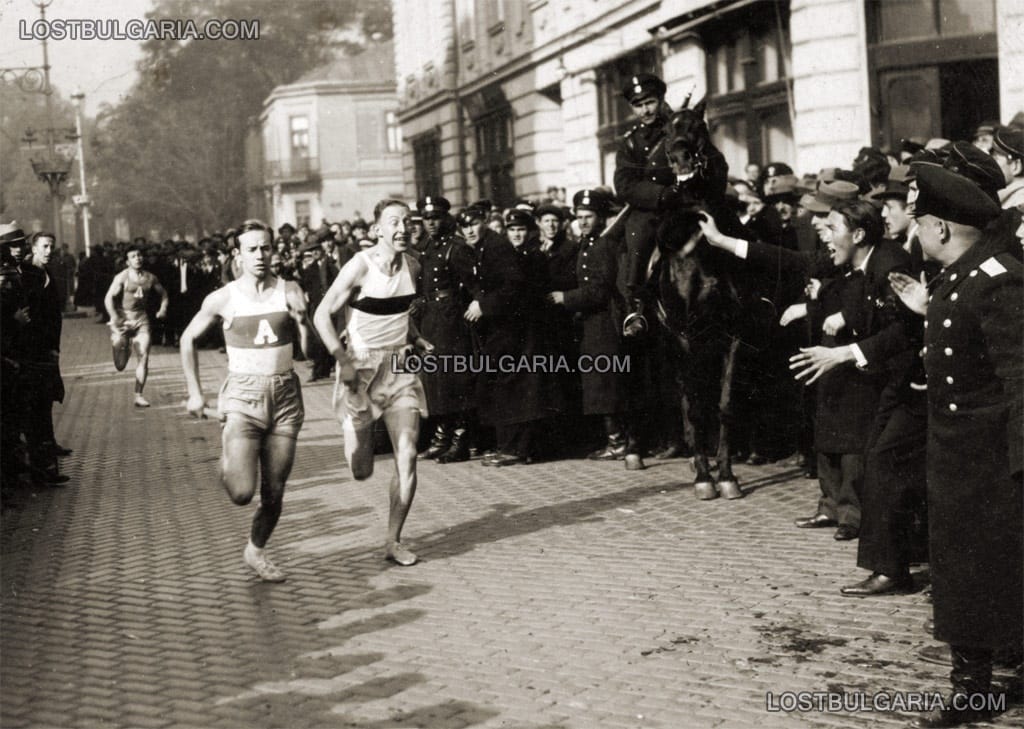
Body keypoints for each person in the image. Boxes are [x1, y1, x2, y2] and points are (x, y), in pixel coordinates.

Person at [890, 164, 1022, 728]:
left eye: (916, 223)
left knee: (997, 570)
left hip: (993, 460)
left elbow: (1021, 379)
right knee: (963, 571)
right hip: (956, 453)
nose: (911, 235)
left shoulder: (997, 278)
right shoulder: (959, 278)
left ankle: (976, 688)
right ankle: (972, 687)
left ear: (940, 228)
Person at [180, 220, 311, 582]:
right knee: (241, 492)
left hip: (285, 395)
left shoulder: (290, 289)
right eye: (251, 249)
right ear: (237, 256)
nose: (260, 255)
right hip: (243, 396)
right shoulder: (223, 298)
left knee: (275, 490)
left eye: (266, 247)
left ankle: (255, 550)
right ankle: (230, 460)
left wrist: (302, 321)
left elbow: (309, 352)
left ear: (274, 251)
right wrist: (194, 391)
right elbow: (187, 338)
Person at [313, 200, 431, 566]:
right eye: (393, 222)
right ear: (377, 230)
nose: (402, 228)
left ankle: (393, 541)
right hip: (360, 368)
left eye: (407, 222)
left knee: (408, 454)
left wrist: (416, 337)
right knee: (362, 468)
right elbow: (321, 316)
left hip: (399, 366)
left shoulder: (413, 263)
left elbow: (398, 311)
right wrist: (342, 360)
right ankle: (357, 434)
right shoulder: (359, 266)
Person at [414, 196, 477, 463]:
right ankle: (443, 435)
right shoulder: (426, 247)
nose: (431, 223)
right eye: (427, 219)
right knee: (436, 380)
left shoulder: (456, 247)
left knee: (455, 380)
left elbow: (473, 285)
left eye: (436, 218)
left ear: (445, 218)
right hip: (431, 319)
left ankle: (460, 439)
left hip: (451, 321)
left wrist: (470, 306)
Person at [613, 72, 674, 335]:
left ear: (660, 100)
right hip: (650, 209)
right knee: (636, 238)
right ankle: (634, 307)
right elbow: (625, 184)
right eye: (638, 105)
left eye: (649, 102)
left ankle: (751, 293)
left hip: (685, 201)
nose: (645, 110)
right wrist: (660, 195)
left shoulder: (679, 126)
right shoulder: (631, 142)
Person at [104, 243, 169, 408]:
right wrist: (114, 316)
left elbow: (164, 294)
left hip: (142, 320)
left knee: (143, 356)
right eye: (133, 256)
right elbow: (108, 298)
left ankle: (138, 395)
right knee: (120, 366)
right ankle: (120, 345)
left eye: (139, 255)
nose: (137, 258)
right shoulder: (122, 277)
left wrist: (163, 309)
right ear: (127, 261)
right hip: (123, 320)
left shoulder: (150, 277)